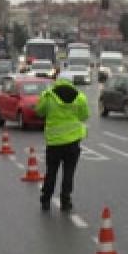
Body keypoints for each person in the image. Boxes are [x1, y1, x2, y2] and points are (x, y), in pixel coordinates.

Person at [33, 74, 89, 212]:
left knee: (51, 171)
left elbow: (39, 111)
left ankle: (46, 200)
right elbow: (84, 116)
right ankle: (65, 200)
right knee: (69, 173)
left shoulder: (49, 96)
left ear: (57, 82)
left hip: (54, 143)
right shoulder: (80, 97)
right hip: (72, 142)